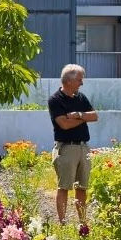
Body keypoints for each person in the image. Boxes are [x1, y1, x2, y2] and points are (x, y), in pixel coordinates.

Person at [47, 63, 97, 223]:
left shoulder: (80, 98)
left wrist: (79, 115)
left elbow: (95, 116)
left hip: (83, 147)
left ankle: (83, 222)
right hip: (66, 148)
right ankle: (62, 222)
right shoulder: (55, 100)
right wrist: (83, 119)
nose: (81, 83)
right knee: (64, 187)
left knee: (82, 187)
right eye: (79, 80)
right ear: (68, 81)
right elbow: (64, 124)